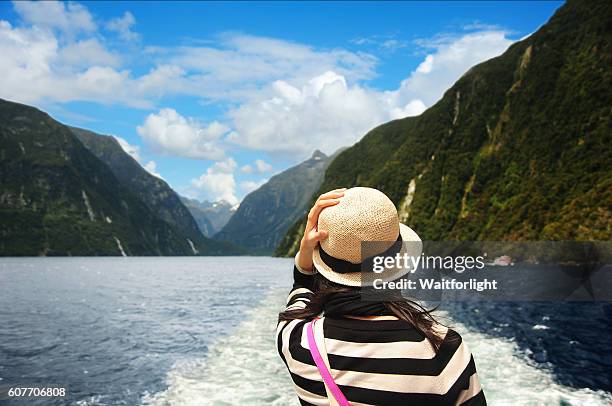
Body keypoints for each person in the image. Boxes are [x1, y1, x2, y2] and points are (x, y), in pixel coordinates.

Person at [276, 187, 486, 406]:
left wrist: (305, 254)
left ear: (325, 267)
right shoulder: (444, 350)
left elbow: (301, 287)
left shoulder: (297, 341)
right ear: (401, 267)